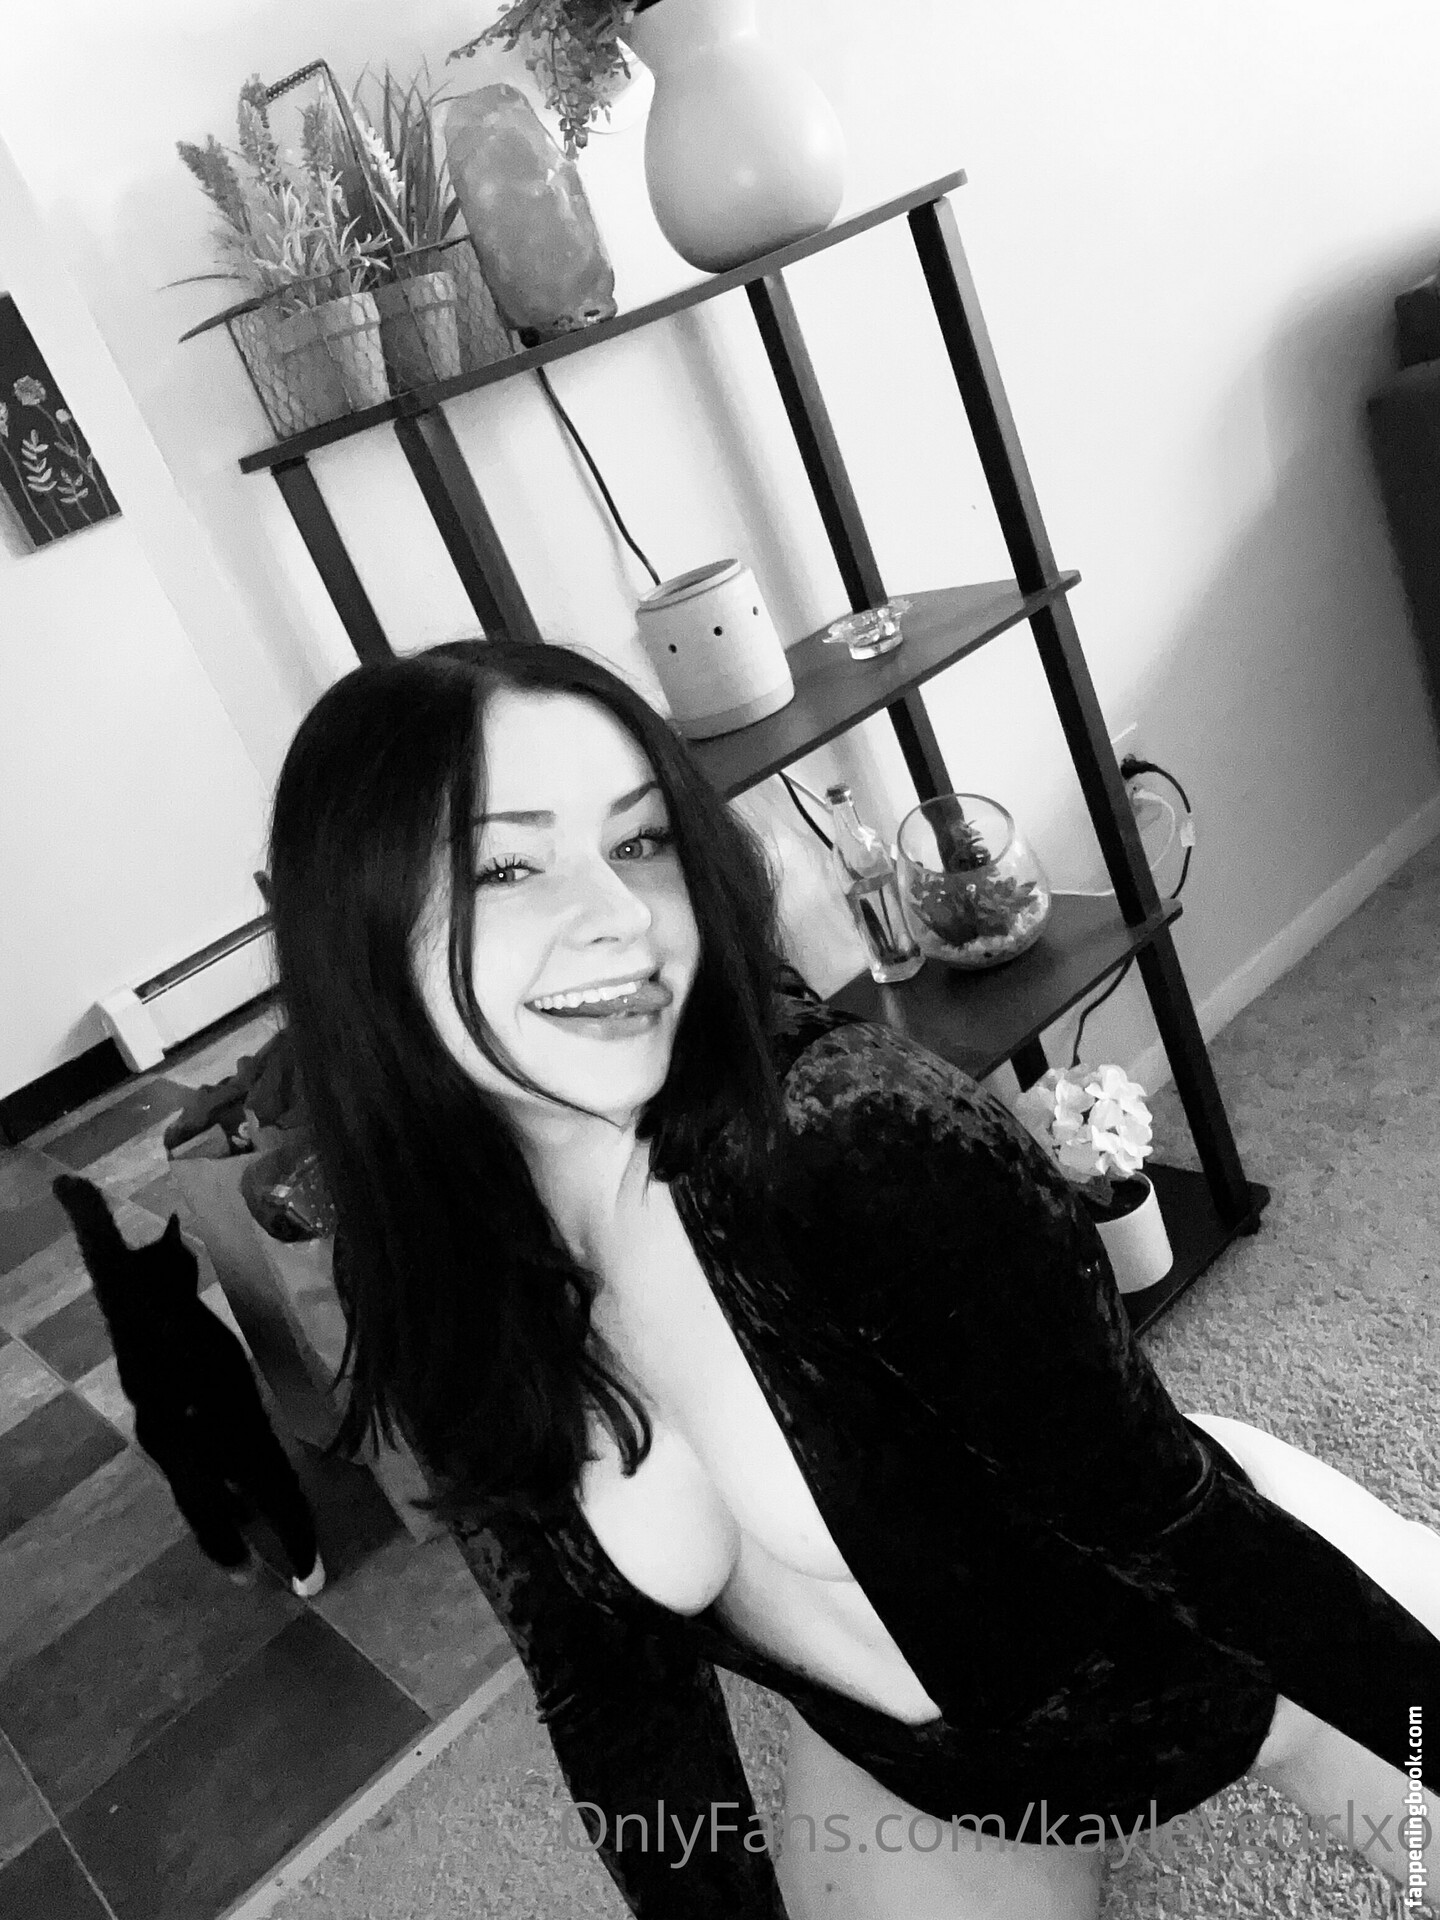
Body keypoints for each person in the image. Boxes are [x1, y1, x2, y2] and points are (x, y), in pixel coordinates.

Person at [266, 635, 1440, 1919]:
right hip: (938, 1779)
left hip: (1211, 1655)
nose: (623, 915)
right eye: (507, 866)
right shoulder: (434, 1282)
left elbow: (1181, 1530)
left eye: (642, 841)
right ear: (356, 933)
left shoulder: (850, 1137)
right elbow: (614, 1707)